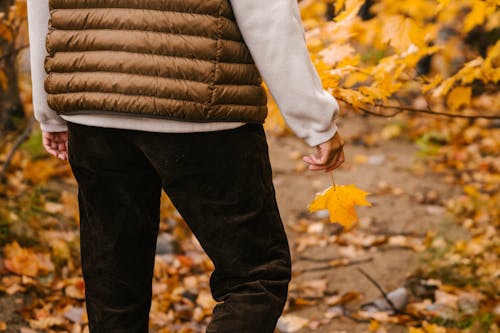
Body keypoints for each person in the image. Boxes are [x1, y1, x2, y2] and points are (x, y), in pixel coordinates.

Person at [26, 0, 345, 332]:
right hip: (201, 104)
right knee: (256, 276)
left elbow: (40, 8)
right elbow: (268, 13)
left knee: (114, 284)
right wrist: (314, 120)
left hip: (91, 105)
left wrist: (49, 111)